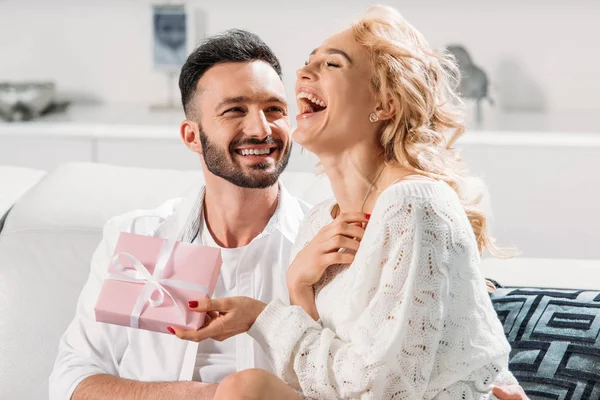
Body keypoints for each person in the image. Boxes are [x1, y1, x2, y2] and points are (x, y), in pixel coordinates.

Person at [49, 29, 526, 400]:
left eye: (275, 109)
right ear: (192, 136)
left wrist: (490, 378)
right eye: (234, 110)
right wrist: (217, 397)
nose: (261, 128)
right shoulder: (141, 240)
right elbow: (73, 381)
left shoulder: (329, 238)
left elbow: (410, 343)